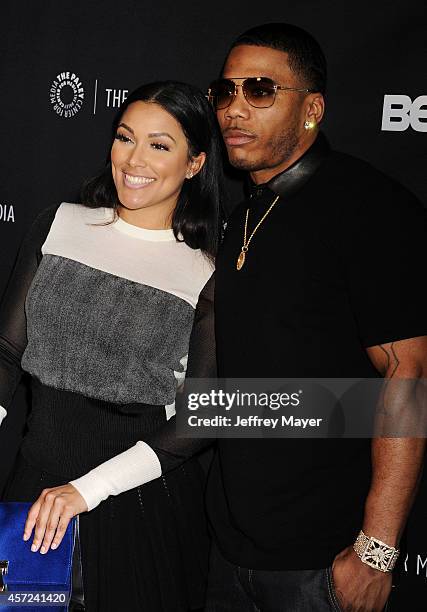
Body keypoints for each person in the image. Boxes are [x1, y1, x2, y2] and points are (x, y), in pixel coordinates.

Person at [202, 23, 427, 612]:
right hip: (227, 549)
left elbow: (410, 373)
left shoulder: (370, 207)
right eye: (225, 92)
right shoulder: (242, 209)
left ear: (312, 109)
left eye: (260, 90)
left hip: (323, 564)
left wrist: (376, 549)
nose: (235, 109)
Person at [0, 80, 223, 612]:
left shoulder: (206, 274)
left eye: (159, 144)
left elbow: (201, 418)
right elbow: (7, 353)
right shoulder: (59, 225)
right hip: (35, 484)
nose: (134, 159)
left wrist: (87, 490)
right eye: (126, 138)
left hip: (138, 503)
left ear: (194, 163)